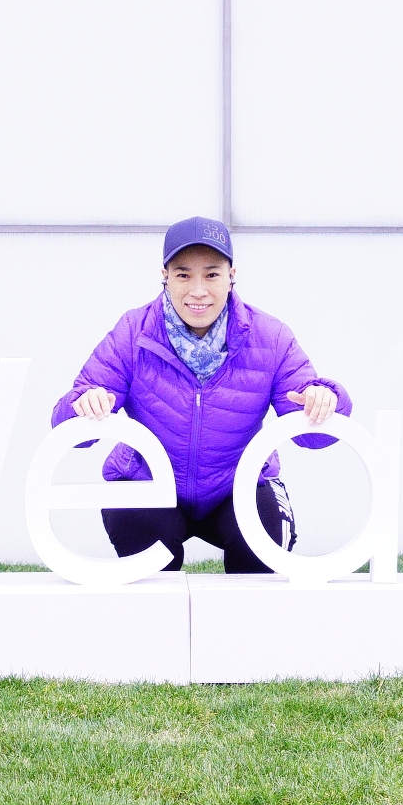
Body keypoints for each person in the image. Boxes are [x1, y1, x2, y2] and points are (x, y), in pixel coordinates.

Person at [54, 216, 350, 574]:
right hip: (150, 481)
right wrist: (82, 406)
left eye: (211, 275)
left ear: (231, 275)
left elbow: (315, 437)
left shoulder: (270, 337)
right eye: (183, 275)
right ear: (165, 275)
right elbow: (70, 429)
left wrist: (325, 400)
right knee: (140, 540)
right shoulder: (134, 331)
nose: (198, 291)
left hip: (238, 484)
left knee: (264, 554)